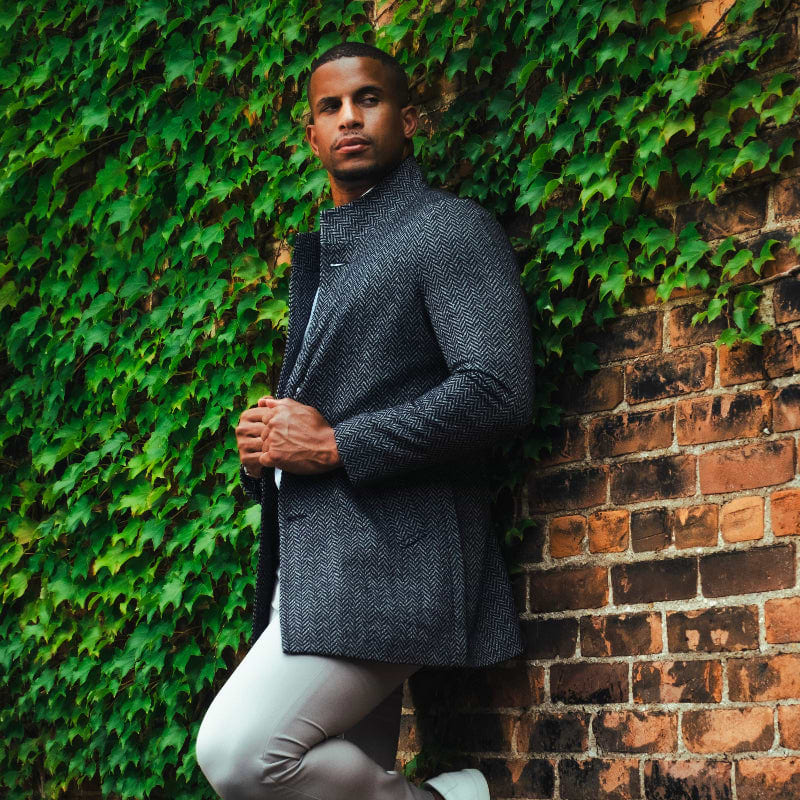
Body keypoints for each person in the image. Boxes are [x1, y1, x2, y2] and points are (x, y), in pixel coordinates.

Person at [195, 40, 535, 800]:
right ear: (311, 134)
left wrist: (335, 442)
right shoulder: (329, 256)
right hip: (320, 569)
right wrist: (267, 453)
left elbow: (496, 391)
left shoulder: (450, 229)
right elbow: (333, 414)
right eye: (330, 107)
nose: (350, 117)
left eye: (369, 99)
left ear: (407, 119)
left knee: (239, 754)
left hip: (392, 568)